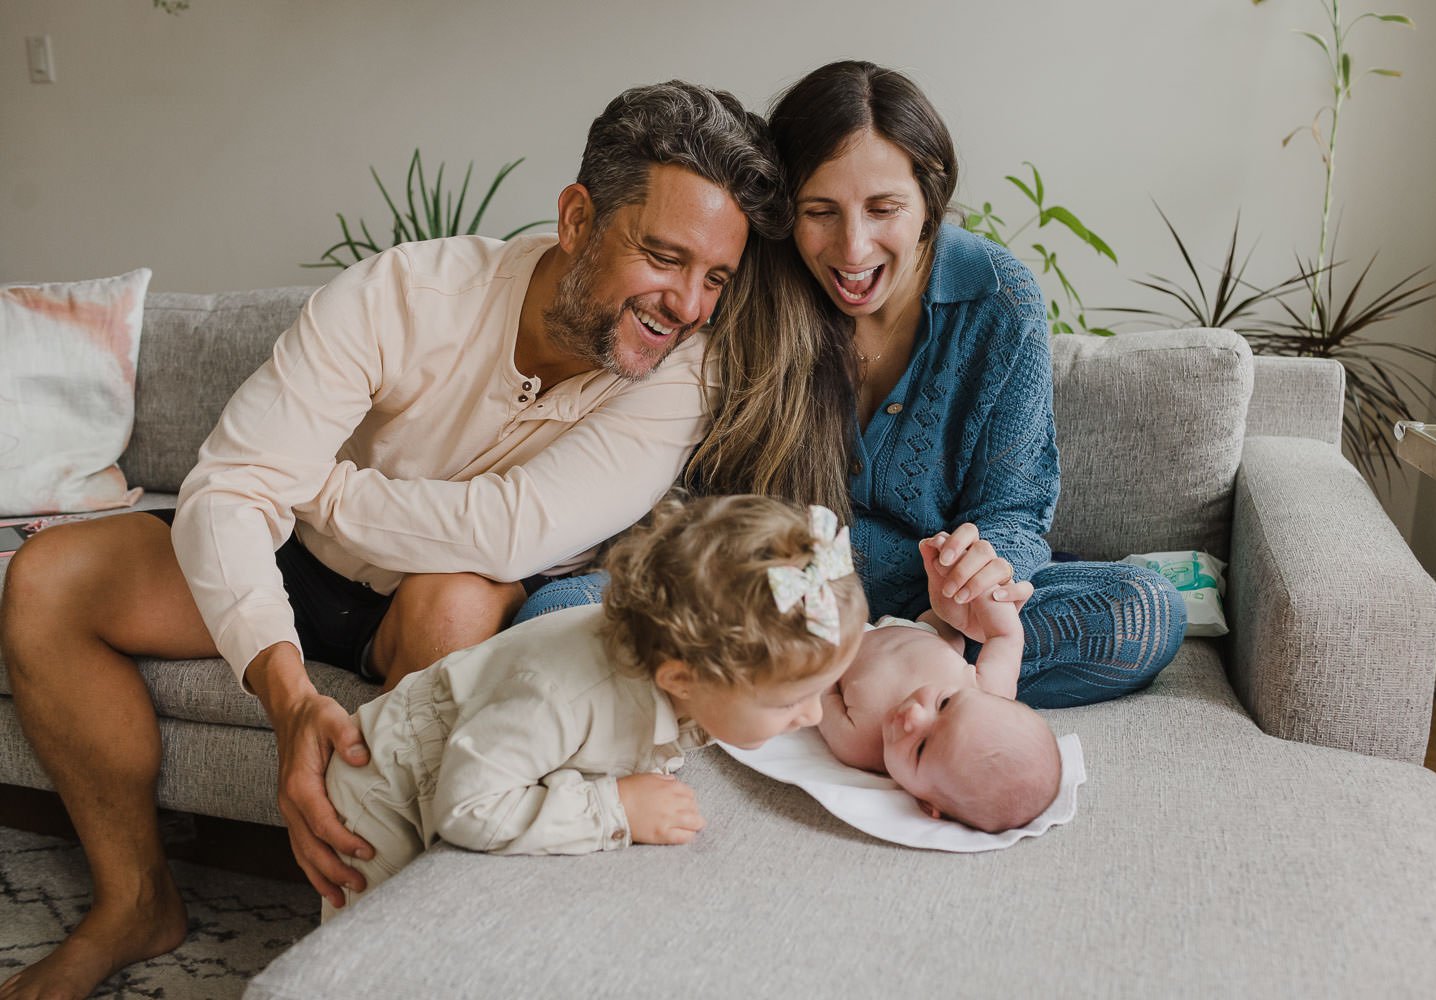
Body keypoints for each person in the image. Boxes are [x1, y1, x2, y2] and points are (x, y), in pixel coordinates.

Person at [0, 81, 784, 1000]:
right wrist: (287, 695)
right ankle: (135, 901)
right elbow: (236, 489)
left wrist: (314, 483)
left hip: (448, 591)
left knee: (454, 597)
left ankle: (397, 956)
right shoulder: (408, 292)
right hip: (302, 561)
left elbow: (510, 529)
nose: (689, 303)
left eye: (715, 277)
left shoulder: (686, 370)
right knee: (50, 577)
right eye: (663, 256)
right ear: (577, 218)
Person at [691, 59, 1187, 708]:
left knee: (1142, 612)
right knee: (579, 604)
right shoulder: (757, 288)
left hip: (933, 612)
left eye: (883, 209)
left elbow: (1012, 509)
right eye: (821, 212)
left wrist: (981, 569)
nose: (853, 247)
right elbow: (703, 487)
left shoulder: (999, 300)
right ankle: (875, 687)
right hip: (780, 595)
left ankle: (841, 685)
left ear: (930, 201)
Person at [323, 495, 865, 916]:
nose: (813, 716)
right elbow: (466, 809)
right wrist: (616, 810)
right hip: (385, 793)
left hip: (488, 751)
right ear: (682, 676)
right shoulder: (560, 694)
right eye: (792, 700)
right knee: (388, 947)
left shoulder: (672, 674)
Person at [819, 531, 1060, 833]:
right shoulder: (989, 693)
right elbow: (1005, 636)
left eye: (920, 750)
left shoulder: (856, 744)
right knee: (947, 627)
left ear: (926, 804)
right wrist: (977, 586)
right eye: (945, 703)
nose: (914, 716)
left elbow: (819, 684)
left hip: (849, 639)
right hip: (929, 625)